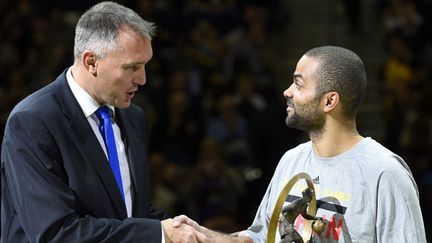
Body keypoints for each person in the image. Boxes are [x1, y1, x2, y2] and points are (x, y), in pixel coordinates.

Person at [172, 46, 427, 242]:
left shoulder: (385, 173)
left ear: (329, 101)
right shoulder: (291, 160)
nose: (287, 91)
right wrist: (204, 236)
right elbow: (263, 237)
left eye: (298, 83)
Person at [1, 2, 207, 242]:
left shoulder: (134, 118)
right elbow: (56, 233)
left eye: (145, 66)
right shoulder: (32, 121)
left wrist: (203, 235)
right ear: (91, 62)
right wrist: (160, 233)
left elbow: (131, 214)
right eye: (132, 67)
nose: (143, 79)